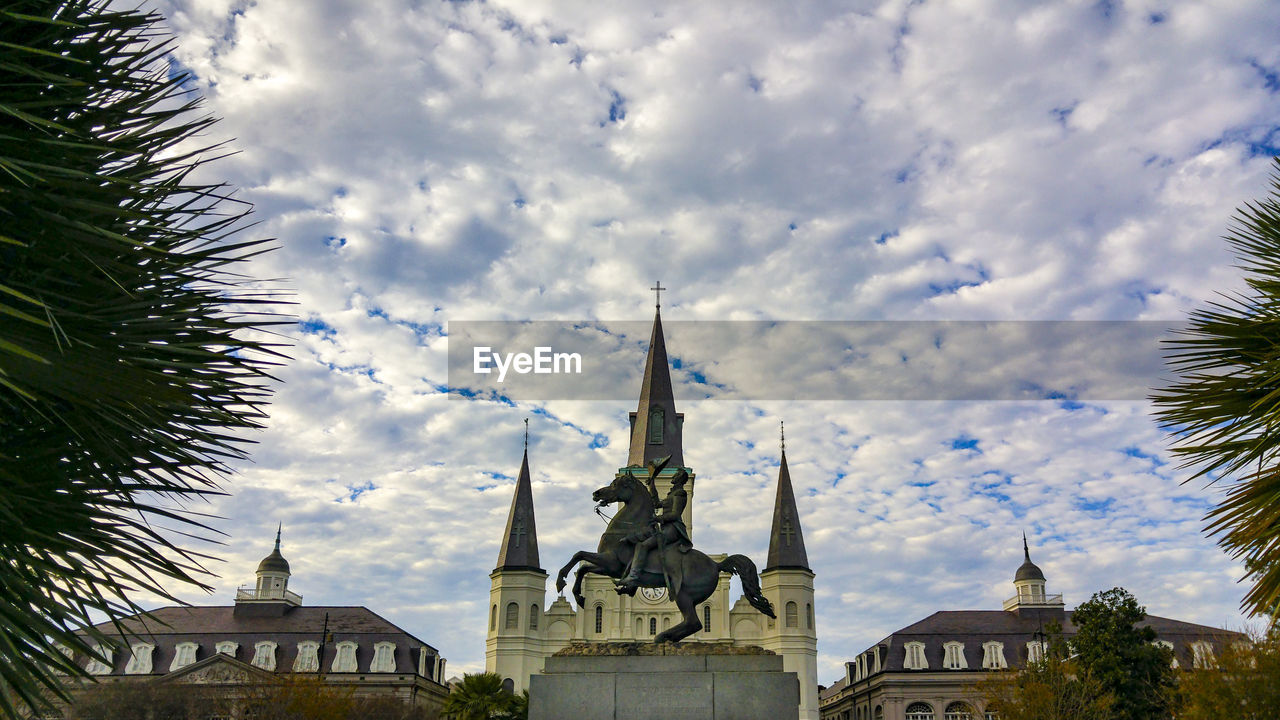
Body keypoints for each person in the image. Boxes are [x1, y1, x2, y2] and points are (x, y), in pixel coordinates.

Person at [615, 468, 690, 593]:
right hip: (664, 528)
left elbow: (676, 515)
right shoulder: (672, 494)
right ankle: (632, 587)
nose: (674, 476)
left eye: (676, 475)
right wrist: (652, 486)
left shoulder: (680, 493)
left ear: (680, 478)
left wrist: (658, 518)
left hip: (672, 530)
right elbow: (656, 503)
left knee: (643, 546)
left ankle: (633, 577)